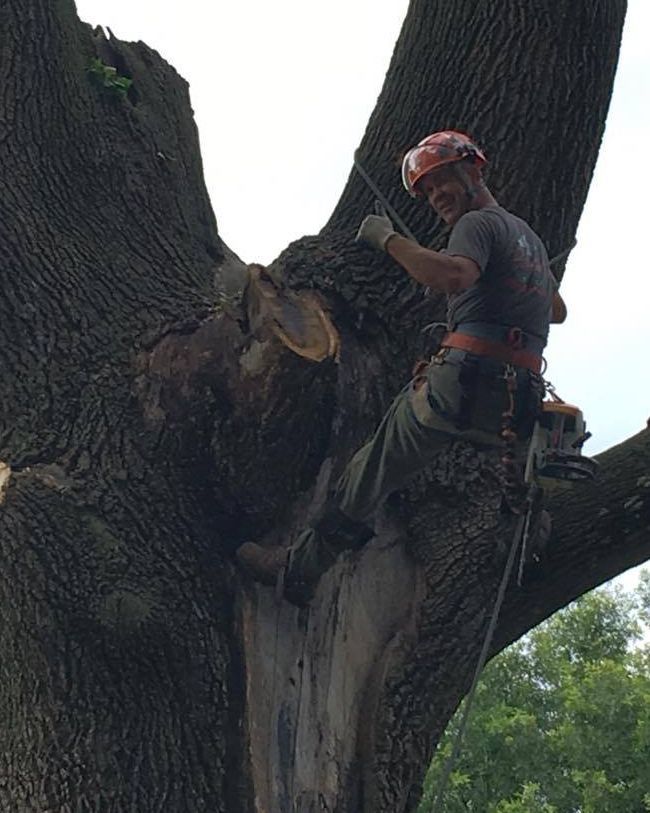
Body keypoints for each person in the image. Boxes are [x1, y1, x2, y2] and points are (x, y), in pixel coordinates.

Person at [236, 130, 566, 605]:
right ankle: (518, 535)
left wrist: (387, 239)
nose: (436, 198)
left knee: (370, 470)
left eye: (440, 183)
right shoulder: (528, 240)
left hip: (464, 380)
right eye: (428, 192)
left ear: (472, 170)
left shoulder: (477, 225)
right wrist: (515, 280)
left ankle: (299, 570)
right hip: (515, 402)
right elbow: (555, 310)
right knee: (492, 482)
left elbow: (453, 275)